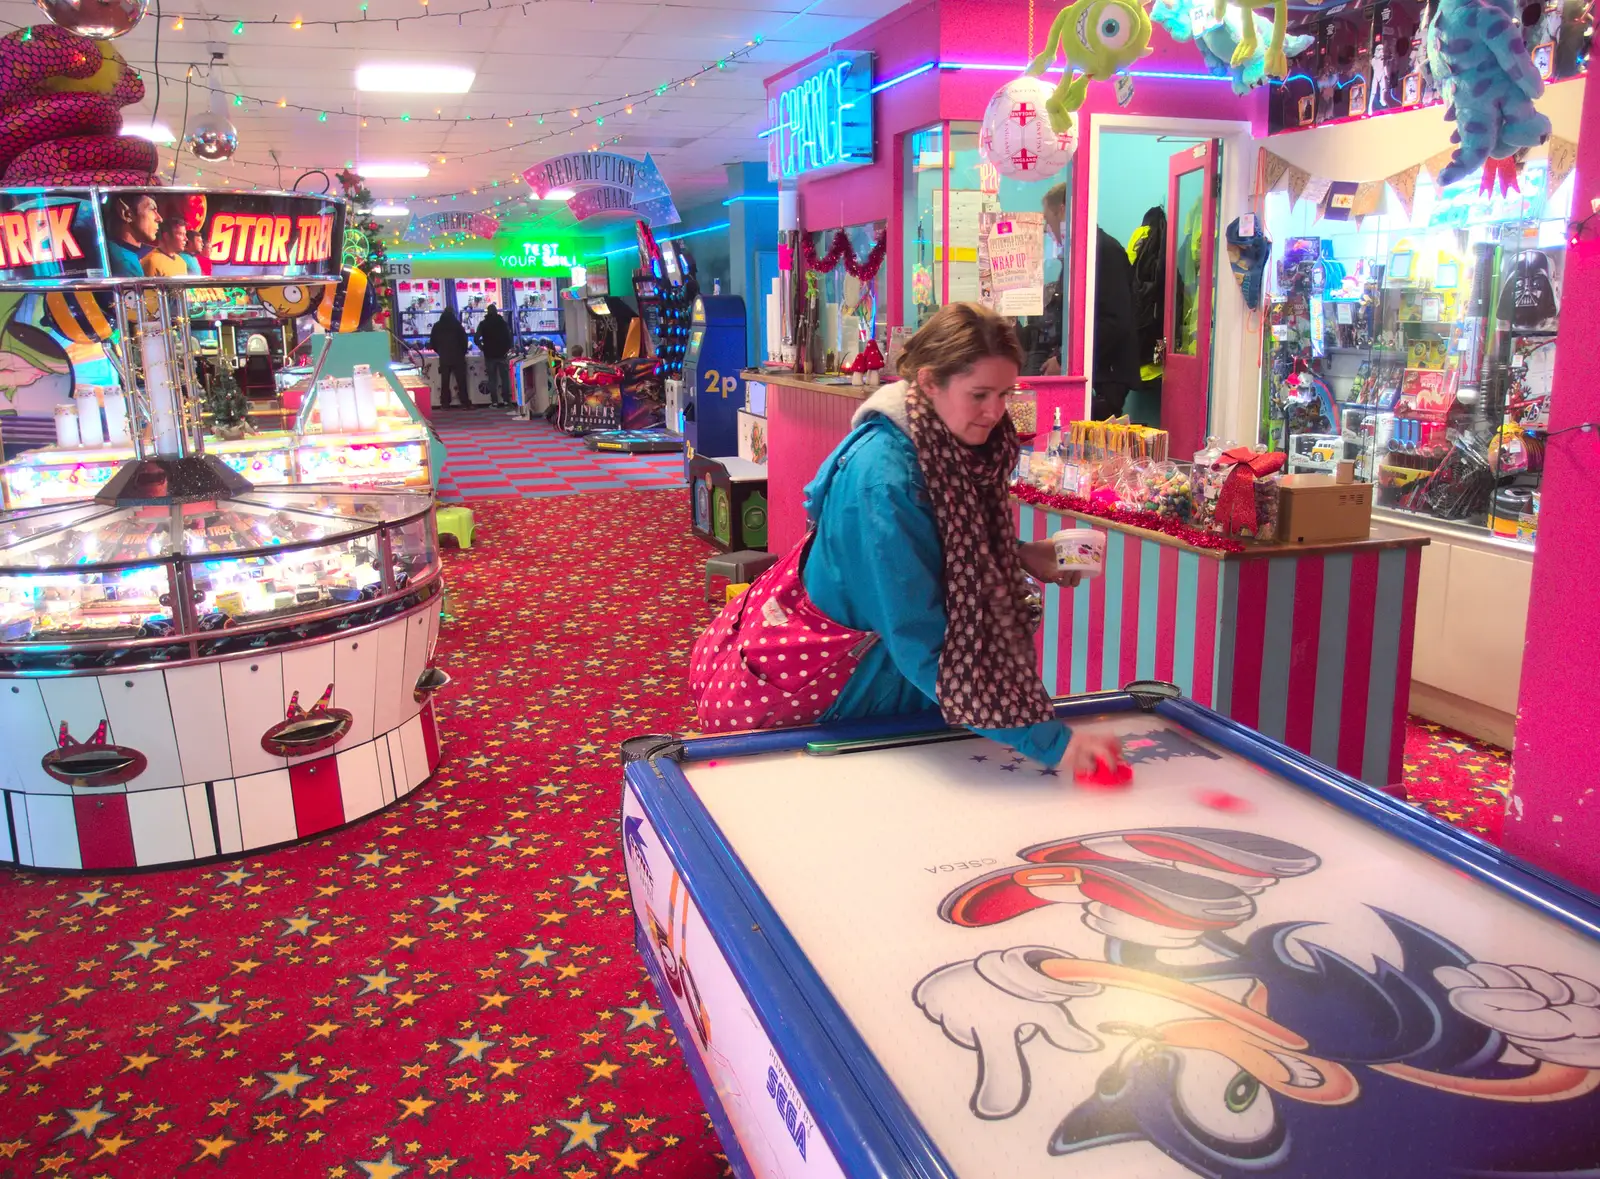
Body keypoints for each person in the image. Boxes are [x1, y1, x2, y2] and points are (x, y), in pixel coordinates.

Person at [691, 303, 1124, 775]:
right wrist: (1053, 743)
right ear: (929, 381)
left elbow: (942, 540)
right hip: (844, 696)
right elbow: (921, 638)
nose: (996, 412)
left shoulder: (941, 442)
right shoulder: (884, 480)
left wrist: (1019, 554)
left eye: (1005, 392)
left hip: (892, 684)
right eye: (979, 394)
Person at [1023, 183, 1067, 377]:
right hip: (1043, 348)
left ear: (1062, 212)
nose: (1048, 230)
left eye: (1048, 221)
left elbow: (1105, 323)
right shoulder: (1061, 261)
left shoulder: (1096, 254)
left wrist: (1061, 359)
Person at [106, 193, 160, 277]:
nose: (159, 218)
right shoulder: (125, 261)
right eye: (152, 209)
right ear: (126, 213)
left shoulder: (113, 250)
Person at [428, 308, 471, 409]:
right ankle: (465, 403)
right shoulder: (457, 325)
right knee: (461, 381)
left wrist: (440, 351)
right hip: (458, 357)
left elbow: (432, 342)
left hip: (444, 357)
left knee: (445, 381)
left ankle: (445, 403)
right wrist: (462, 352)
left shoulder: (437, 326)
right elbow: (464, 341)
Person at [474, 303, 514, 409]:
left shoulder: (483, 324)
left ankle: (495, 402)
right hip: (502, 355)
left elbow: (476, 339)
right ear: (496, 312)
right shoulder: (503, 323)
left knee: (492, 379)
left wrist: (483, 348)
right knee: (505, 379)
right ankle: (506, 401)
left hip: (490, 355)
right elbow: (510, 338)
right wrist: (507, 349)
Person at [142, 204, 191, 278]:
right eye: (181, 234)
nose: (186, 239)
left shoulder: (182, 262)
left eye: (185, 234)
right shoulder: (152, 261)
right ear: (166, 236)